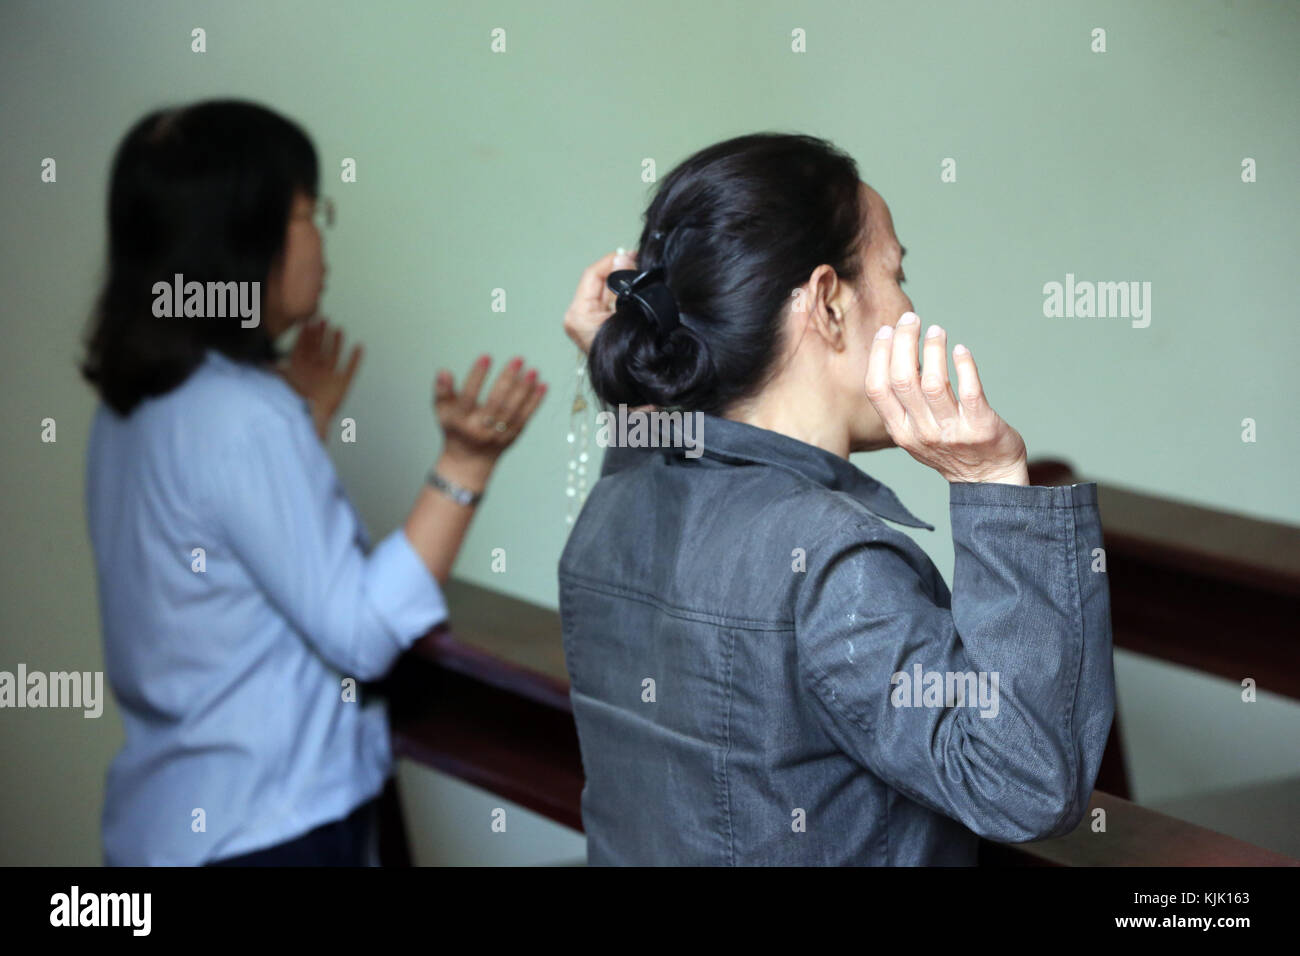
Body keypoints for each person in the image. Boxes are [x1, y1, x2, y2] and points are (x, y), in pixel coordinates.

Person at [558, 132, 1115, 865]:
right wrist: (992, 487)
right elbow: (1024, 786)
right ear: (826, 302)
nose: (909, 301)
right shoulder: (831, 563)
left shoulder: (612, 508)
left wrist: (638, 387)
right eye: (896, 272)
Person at [81, 99, 547, 865]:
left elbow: (216, 552)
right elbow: (360, 635)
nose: (321, 241)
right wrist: (463, 466)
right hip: (267, 831)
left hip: (164, 826)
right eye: (308, 213)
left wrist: (301, 427)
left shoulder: (137, 405)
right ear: (241, 237)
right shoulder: (245, 417)